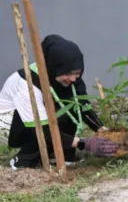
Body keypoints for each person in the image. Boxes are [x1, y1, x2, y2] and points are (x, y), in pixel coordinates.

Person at [1, 35, 119, 169]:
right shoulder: (26, 83)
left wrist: (104, 131)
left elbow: (82, 108)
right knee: (45, 120)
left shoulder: (72, 81)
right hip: (10, 126)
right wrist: (84, 143)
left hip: (39, 120)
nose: (73, 79)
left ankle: (60, 155)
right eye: (68, 74)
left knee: (67, 109)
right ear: (54, 67)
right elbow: (42, 129)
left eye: (77, 73)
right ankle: (23, 160)